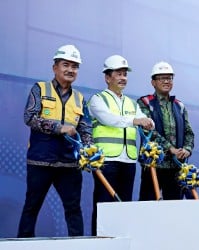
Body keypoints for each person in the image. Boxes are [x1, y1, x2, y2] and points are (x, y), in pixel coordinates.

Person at [17, 44, 93, 237]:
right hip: (40, 161)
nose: (70, 70)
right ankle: (23, 245)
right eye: (65, 64)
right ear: (55, 67)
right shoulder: (40, 89)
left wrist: (88, 147)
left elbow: (85, 127)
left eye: (74, 66)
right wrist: (59, 128)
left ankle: (78, 246)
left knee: (73, 210)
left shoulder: (79, 97)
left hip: (69, 164)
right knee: (31, 207)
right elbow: (30, 117)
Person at [87, 54, 154, 236]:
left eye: (125, 74)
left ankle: (120, 242)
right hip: (106, 161)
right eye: (119, 73)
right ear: (107, 77)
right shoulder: (98, 99)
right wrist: (137, 120)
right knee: (104, 205)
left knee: (123, 206)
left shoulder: (131, 103)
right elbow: (110, 119)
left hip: (128, 162)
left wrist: (147, 122)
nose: (123, 77)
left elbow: (147, 121)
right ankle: (99, 242)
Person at [137, 61, 195, 200]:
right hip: (153, 165)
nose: (166, 81)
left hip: (176, 167)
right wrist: (171, 149)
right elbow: (149, 132)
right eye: (162, 78)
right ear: (153, 82)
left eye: (169, 78)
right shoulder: (145, 103)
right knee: (148, 206)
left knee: (174, 209)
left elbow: (189, 132)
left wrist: (186, 149)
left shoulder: (179, 105)